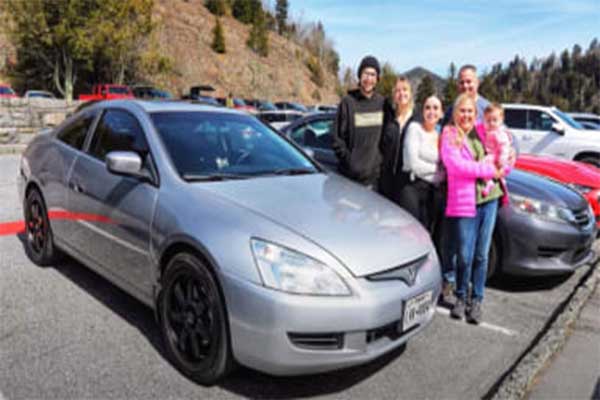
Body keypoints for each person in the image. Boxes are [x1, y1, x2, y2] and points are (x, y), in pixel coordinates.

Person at [440, 93, 511, 324]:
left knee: (481, 255)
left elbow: (506, 147)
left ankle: (477, 299)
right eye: (462, 111)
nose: (467, 115)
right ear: (455, 112)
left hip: (489, 199)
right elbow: (456, 166)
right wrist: (489, 170)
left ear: (475, 114)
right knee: (464, 254)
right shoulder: (450, 134)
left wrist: (506, 164)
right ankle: (461, 296)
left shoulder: (482, 131)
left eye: (471, 111)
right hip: (464, 201)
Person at [332, 56, 385, 189]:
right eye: (366, 73)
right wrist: (351, 163)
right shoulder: (347, 103)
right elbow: (337, 139)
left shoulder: (382, 104)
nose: (369, 79)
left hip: (375, 181)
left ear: (377, 79)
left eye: (373, 75)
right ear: (360, 76)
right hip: (349, 180)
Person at [397, 95, 444, 232]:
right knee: (412, 233)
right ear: (422, 111)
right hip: (412, 187)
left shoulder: (441, 137)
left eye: (436, 108)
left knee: (428, 232)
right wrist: (438, 175)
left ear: (441, 113)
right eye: (427, 107)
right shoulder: (414, 129)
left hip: (431, 192)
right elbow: (412, 164)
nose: (431, 111)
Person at [379, 76, 415, 200]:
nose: (401, 93)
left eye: (405, 90)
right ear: (394, 95)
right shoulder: (389, 120)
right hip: (387, 183)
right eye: (398, 90)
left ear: (410, 93)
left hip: (409, 185)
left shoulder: (417, 119)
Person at [480, 103, 513, 197]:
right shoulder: (489, 131)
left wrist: (501, 160)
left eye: (495, 120)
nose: (491, 123)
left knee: (484, 165)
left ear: (501, 120)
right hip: (492, 155)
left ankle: (489, 183)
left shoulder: (500, 133)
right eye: (488, 120)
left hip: (497, 157)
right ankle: (489, 182)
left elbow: (505, 147)